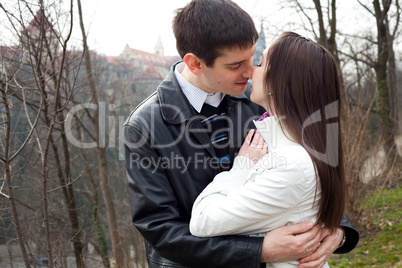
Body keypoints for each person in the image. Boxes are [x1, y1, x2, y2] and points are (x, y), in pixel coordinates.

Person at [123, 1, 359, 267]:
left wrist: (337, 228)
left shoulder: (262, 98)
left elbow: (304, 170)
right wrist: (257, 251)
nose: (250, 71)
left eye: (252, 58)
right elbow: (161, 230)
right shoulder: (144, 127)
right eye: (236, 64)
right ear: (196, 63)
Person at [190, 31, 348, 267]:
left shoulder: (291, 162)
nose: (252, 70)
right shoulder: (302, 143)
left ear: (280, 82)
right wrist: (261, 250)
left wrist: (242, 167)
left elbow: (202, 221)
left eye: (261, 62)